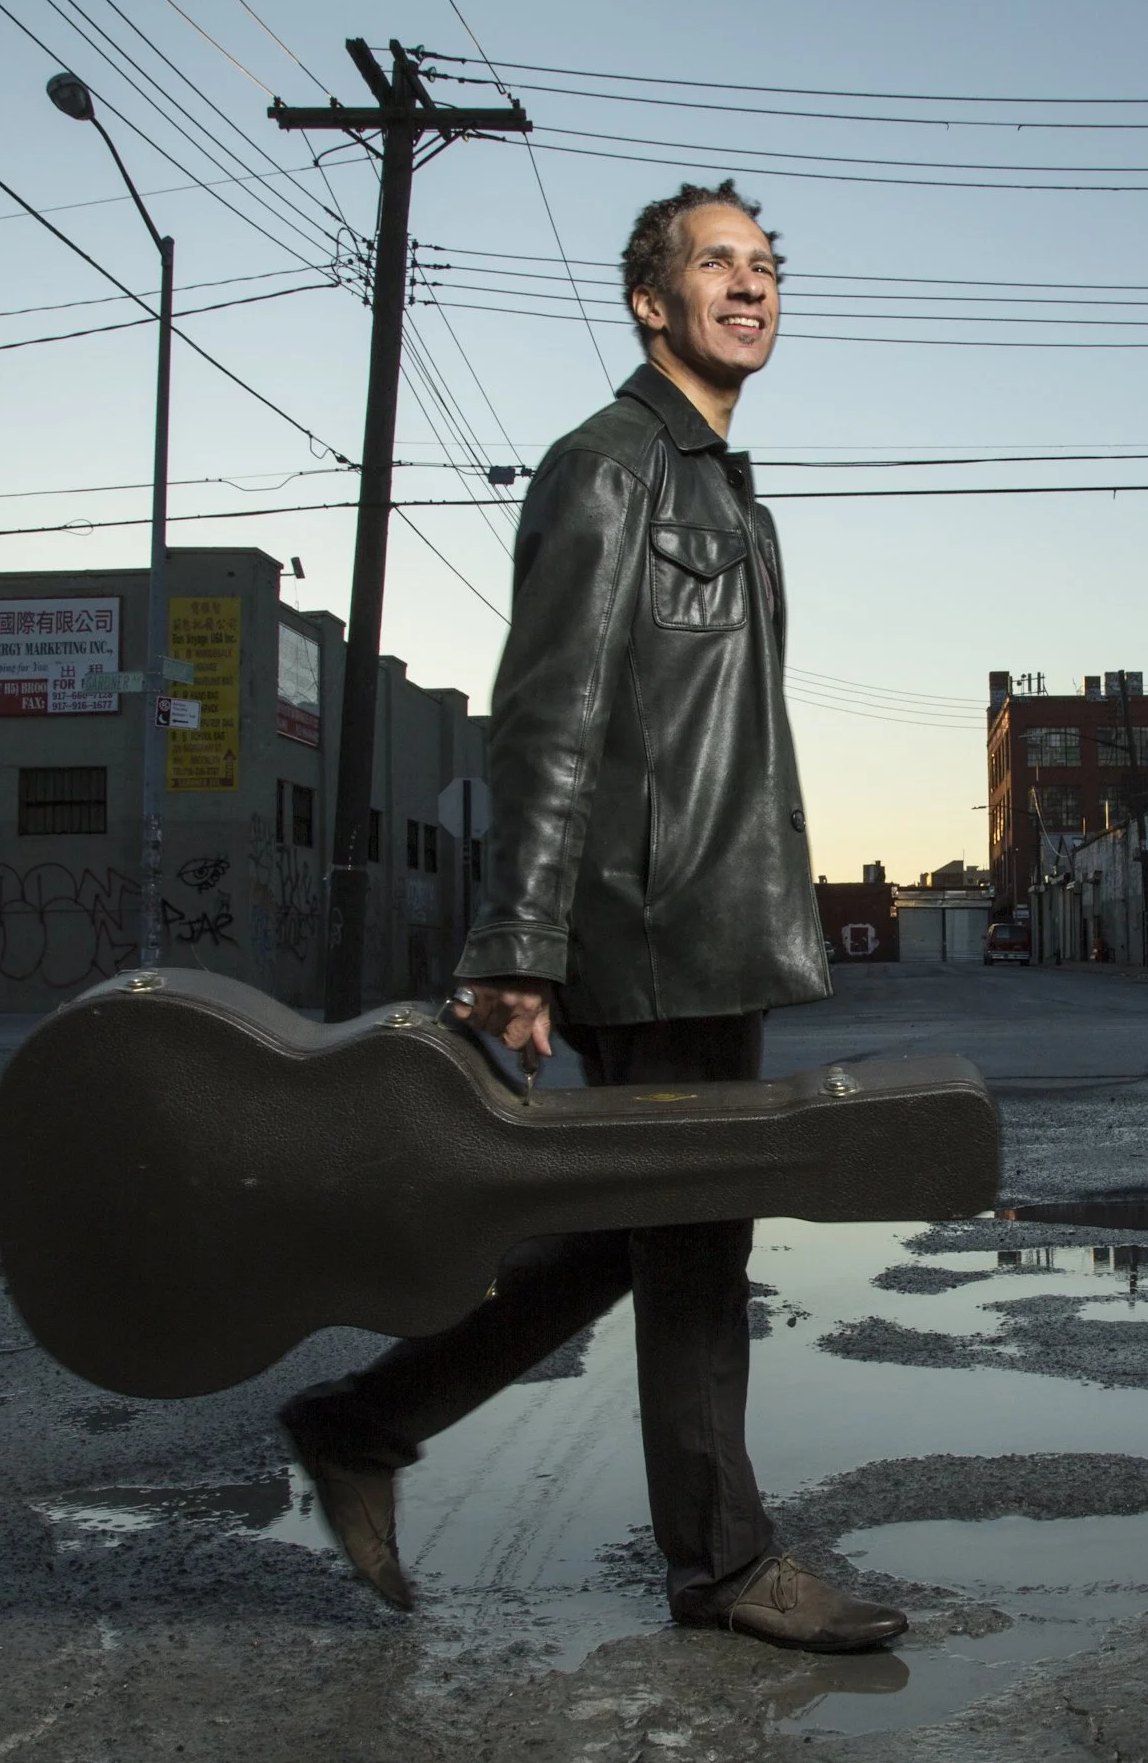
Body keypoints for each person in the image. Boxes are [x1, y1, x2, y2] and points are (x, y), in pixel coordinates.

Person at [281, 180, 907, 1654]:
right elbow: (548, 716)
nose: (748, 286)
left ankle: (364, 1418)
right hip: (652, 918)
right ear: (651, 301)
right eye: (715, 264)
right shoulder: (610, 467)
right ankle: (722, 1562)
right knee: (688, 1247)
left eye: (764, 265)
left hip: (712, 914)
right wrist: (517, 946)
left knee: (654, 1236)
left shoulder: (722, 489)